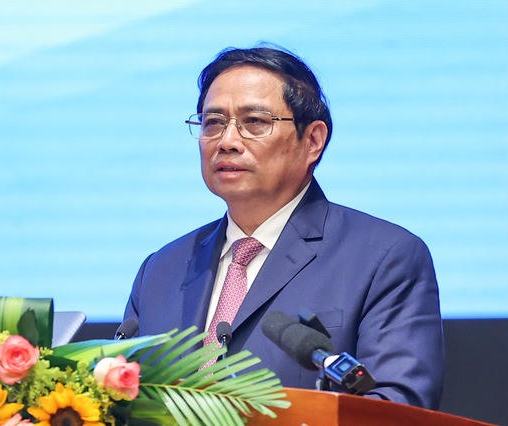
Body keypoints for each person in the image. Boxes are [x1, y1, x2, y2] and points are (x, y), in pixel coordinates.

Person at [123, 46, 444, 409]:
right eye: (213, 123)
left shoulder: (384, 258)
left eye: (254, 122)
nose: (227, 142)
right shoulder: (160, 270)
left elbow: (397, 407)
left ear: (313, 140)